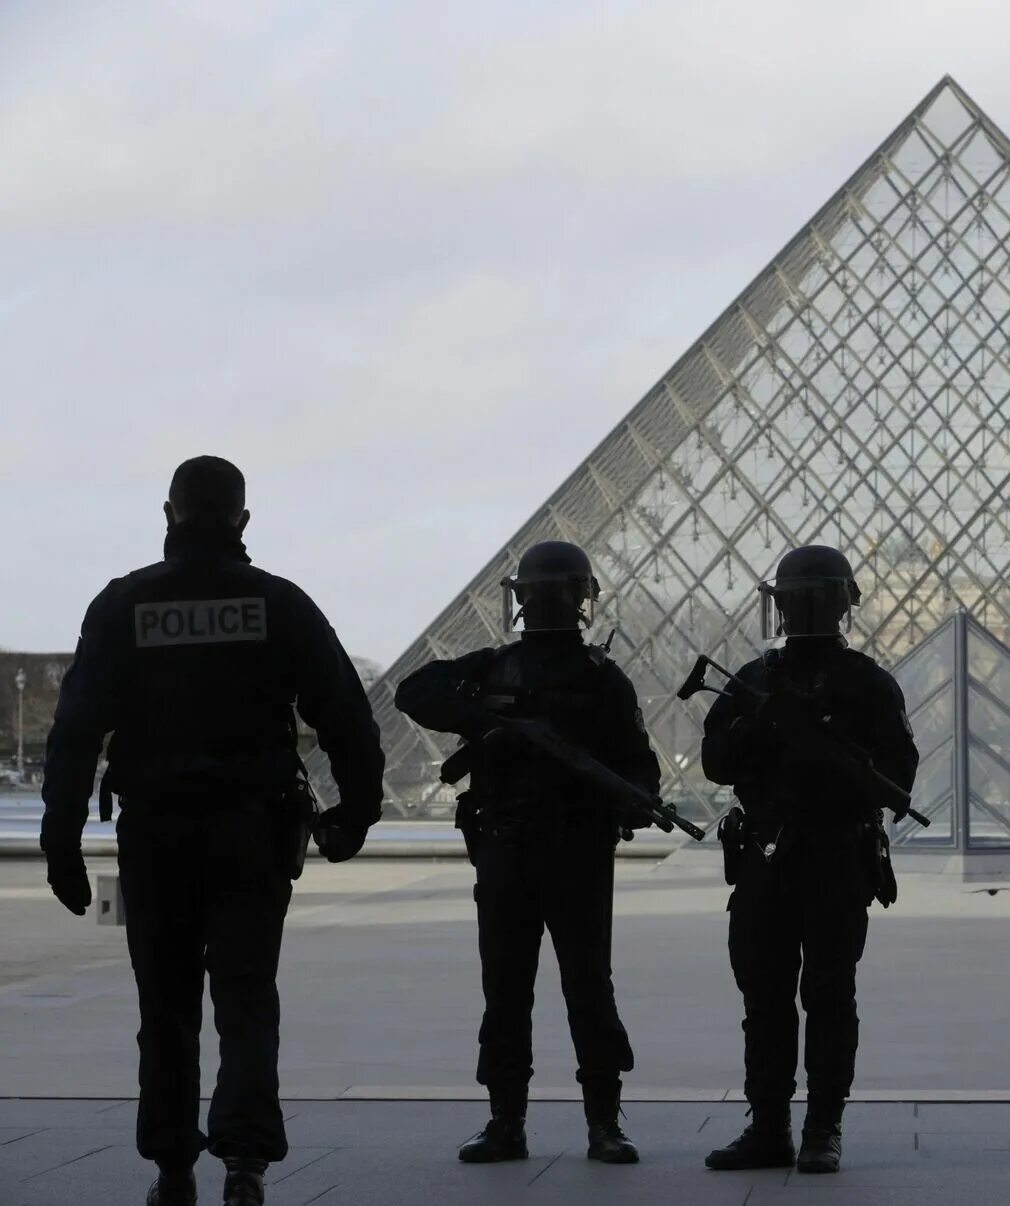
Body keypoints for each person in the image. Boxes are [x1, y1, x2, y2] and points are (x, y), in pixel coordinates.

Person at [40, 455, 385, 1206]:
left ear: (169, 515)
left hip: (155, 833)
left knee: (163, 1008)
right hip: (250, 831)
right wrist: (356, 811)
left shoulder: (123, 605)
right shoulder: (280, 603)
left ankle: (171, 1166)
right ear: (243, 521)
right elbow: (346, 718)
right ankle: (246, 1163)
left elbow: (73, 733)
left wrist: (59, 839)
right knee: (247, 1000)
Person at [393, 540, 659, 1166]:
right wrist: (490, 726)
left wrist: (635, 799)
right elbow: (414, 691)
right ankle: (530, 1122)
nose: (543, 602)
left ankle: (569, 1121)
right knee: (525, 989)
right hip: (522, 851)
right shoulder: (497, 670)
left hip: (557, 850)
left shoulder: (591, 677)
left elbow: (639, 769)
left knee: (567, 988)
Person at [700, 545, 918, 1175]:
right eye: (800, 600)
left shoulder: (867, 684)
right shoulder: (754, 683)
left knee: (827, 995)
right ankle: (770, 1127)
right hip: (767, 857)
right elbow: (716, 760)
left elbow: (899, 778)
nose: (803, 610)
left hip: (833, 854)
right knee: (765, 998)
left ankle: (822, 1126)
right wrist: (765, 731)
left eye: (807, 599)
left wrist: (831, 761)